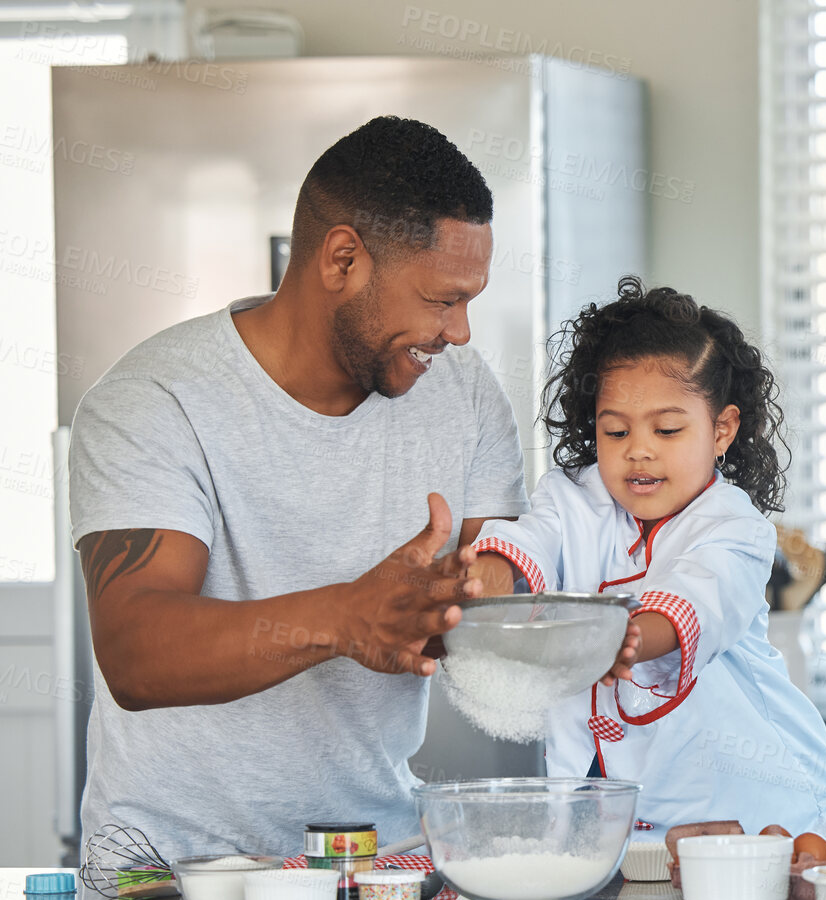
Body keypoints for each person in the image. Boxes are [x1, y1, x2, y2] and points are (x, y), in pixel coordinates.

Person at [70, 117, 525, 859]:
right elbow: (135, 652)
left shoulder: (463, 393)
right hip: (171, 876)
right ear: (342, 258)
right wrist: (347, 614)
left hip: (375, 862)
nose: (461, 332)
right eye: (442, 300)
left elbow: (489, 597)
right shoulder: (156, 397)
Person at [468, 278, 826, 840]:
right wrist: (484, 578)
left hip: (766, 816)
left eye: (667, 429)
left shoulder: (734, 526)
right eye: (615, 430)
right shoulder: (571, 497)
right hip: (624, 828)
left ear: (722, 430)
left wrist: (620, 638)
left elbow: (698, 597)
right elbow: (532, 542)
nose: (638, 449)